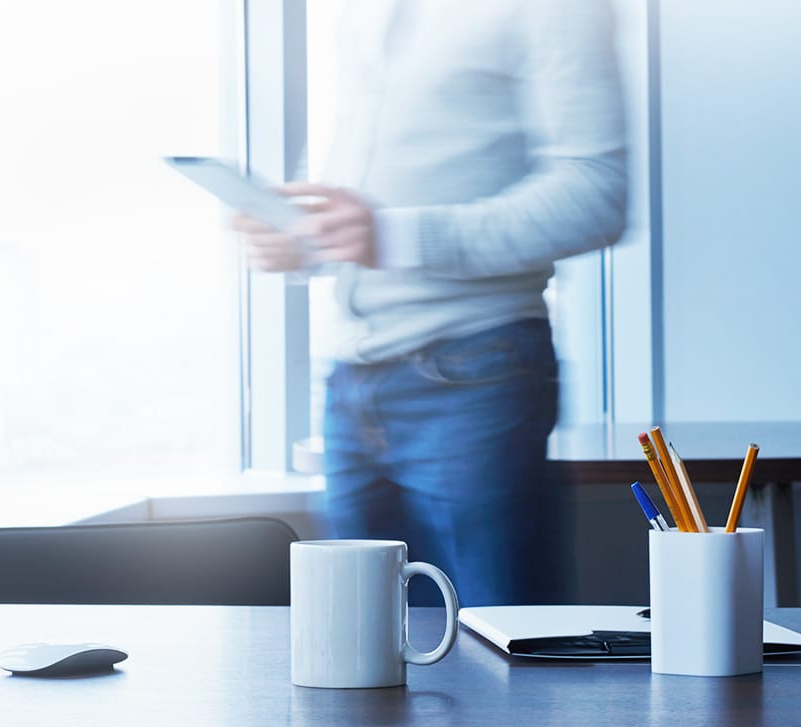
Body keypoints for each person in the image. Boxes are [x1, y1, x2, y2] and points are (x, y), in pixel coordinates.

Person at [233, 0, 627, 607]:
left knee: (501, 647)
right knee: (361, 647)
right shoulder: (364, 16)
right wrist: (304, 239)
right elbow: (374, 199)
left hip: (475, 371)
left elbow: (596, 195)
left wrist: (389, 235)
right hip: (350, 381)